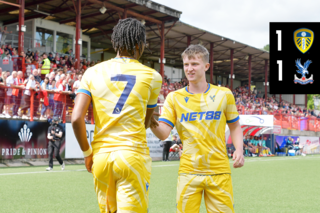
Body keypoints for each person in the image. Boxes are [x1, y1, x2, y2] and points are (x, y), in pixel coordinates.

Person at [71, 18, 162, 213]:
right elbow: (145, 123)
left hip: (101, 158)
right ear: (139, 44)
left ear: (115, 42)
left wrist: (87, 154)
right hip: (132, 156)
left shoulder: (91, 72)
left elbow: (76, 118)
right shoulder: (152, 76)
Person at [150, 44, 244, 213]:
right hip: (188, 173)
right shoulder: (174, 98)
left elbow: (235, 125)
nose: (189, 69)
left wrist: (239, 149)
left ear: (206, 66)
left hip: (219, 172)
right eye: (186, 64)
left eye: (194, 64)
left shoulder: (224, 94)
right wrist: (150, 121)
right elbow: (164, 133)